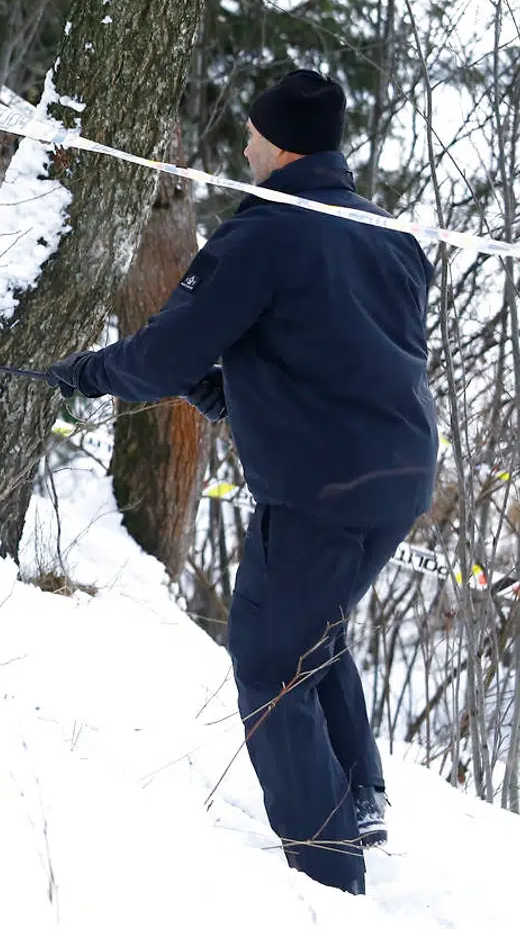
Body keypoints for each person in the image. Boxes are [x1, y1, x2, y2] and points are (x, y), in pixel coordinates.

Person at [41, 69, 438, 895]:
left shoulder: (265, 234)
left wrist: (86, 373)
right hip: (397, 475)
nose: (245, 148)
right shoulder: (388, 237)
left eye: (254, 135)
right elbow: (340, 360)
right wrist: (231, 390)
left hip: (322, 490)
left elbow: (160, 357)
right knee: (310, 633)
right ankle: (356, 800)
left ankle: (325, 866)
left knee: (268, 661)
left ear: (280, 142)